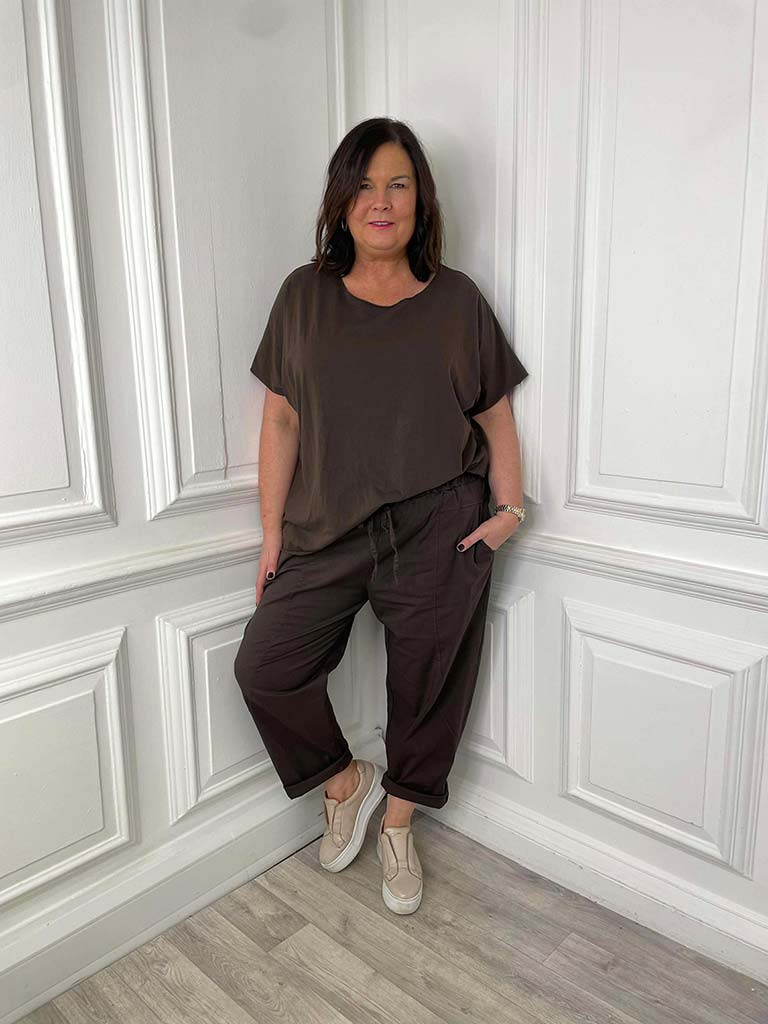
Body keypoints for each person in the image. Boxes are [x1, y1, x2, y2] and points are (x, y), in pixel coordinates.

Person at [234, 116, 528, 915]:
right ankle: (345, 781)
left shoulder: (457, 301)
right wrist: (271, 533)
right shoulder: (303, 295)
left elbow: (495, 414)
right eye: (364, 186)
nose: (381, 202)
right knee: (265, 667)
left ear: (420, 200)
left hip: (439, 521)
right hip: (325, 526)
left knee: (428, 686)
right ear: (341, 201)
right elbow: (281, 419)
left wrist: (508, 509)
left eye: (398, 185)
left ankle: (399, 823)